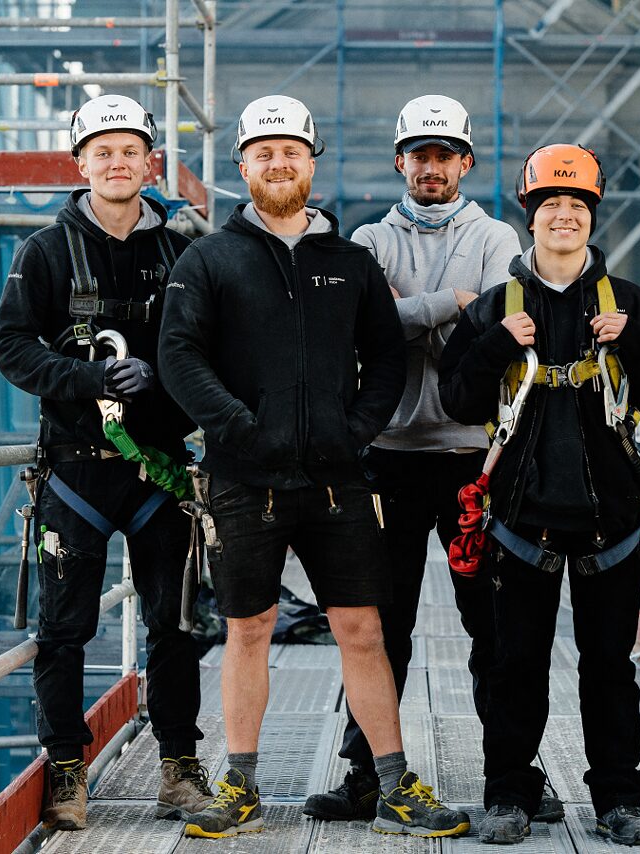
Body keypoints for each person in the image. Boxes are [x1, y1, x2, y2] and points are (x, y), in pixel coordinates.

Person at [157, 94, 470, 839]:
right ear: (243, 167)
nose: (278, 163)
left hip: (338, 479)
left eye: (291, 150)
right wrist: (238, 428)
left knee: (362, 627)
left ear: (310, 161)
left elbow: (387, 357)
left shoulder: (348, 263)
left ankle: (392, 784)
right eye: (264, 153)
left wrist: (356, 428)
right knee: (250, 627)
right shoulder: (209, 259)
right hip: (245, 477)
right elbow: (179, 356)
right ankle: (239, 784)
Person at [303, 94, 557, 823]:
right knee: (381, 625)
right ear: (399, 161)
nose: (432, 166)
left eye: (445, 154)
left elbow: (489, 346)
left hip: (476, 463)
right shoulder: (367, 242)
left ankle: (513, 774)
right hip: (387, 458)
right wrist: (452, 302)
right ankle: (366, 775)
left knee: (494, 626)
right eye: (419, 154)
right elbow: (367, 334)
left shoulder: (498, 236)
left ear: (466, 162)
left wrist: (411, 317)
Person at [439, 144, 640, 846]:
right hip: (522, 522)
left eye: (576, 206)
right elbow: (457, 398)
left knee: (610, 670)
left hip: (609, 523)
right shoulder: (496, 307)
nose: (563, 216)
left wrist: (634, 340)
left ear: (591, 218)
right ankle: (509, 795)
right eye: (550, 205)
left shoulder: (628, 305)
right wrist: (493, 343)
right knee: (515, 668)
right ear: (530, 217)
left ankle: (619, 799)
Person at [0, 94, 211, 831]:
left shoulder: (181, 253)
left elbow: (210, 346)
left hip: (158, 470)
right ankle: (65, 770)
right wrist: (89, 378)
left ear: (150, 163)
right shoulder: (46, 252)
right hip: (78, 468)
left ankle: (179, 768)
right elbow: (12, 346)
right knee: (64, 630)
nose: (118, 164)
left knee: (176, 624)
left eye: (131, 152)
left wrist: (165, 378)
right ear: (79, 162)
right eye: (103, 152)